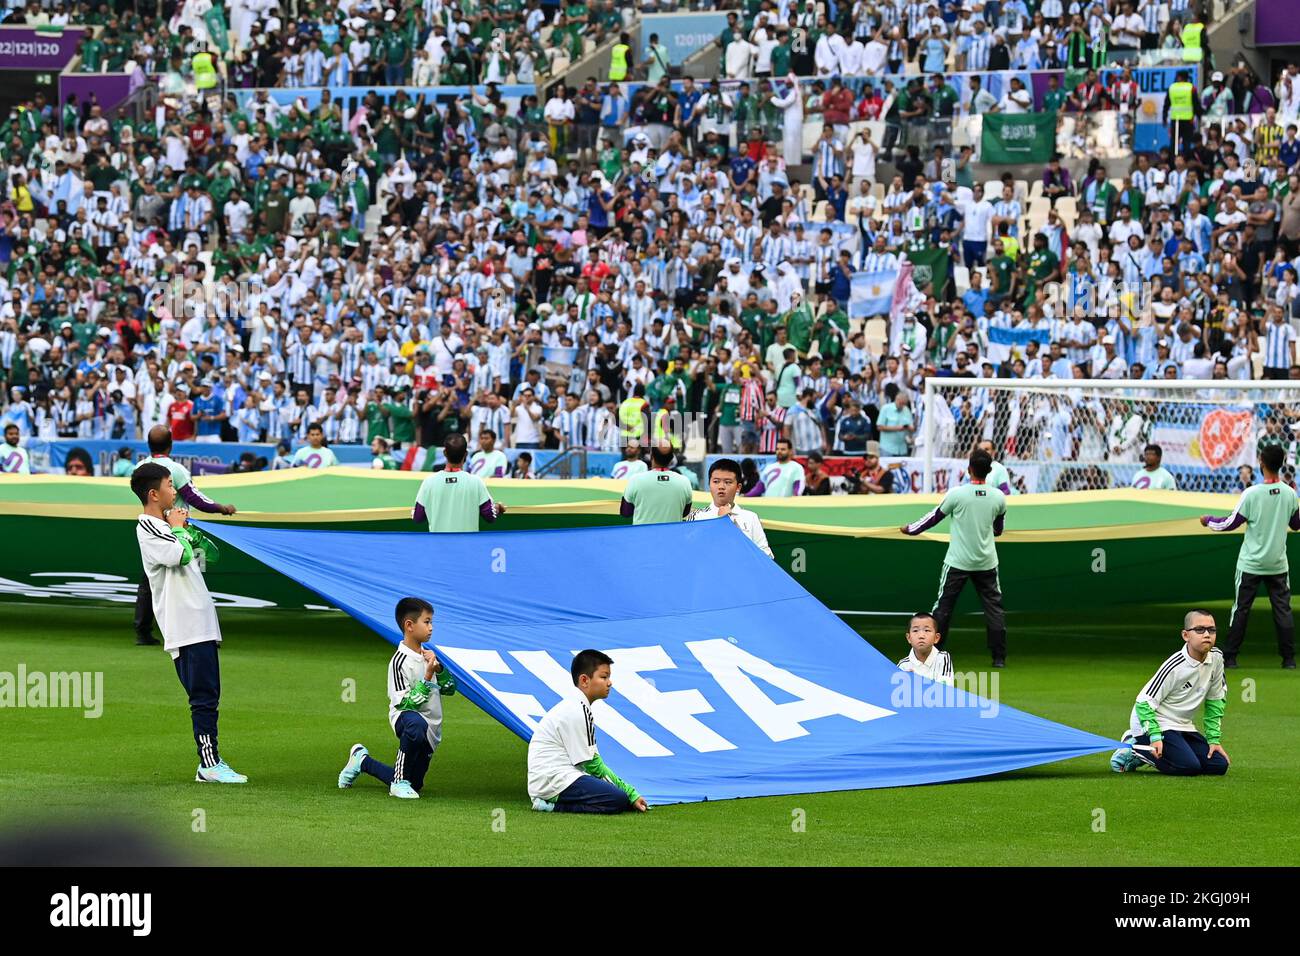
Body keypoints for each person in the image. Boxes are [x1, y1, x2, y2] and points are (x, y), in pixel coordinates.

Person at [131, 463, 246, 783]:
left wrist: (190, 532)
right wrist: (181, 529)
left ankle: (210, 763)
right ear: (154, 494)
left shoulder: (168, 526)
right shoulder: (148, 527)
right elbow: (178, 556)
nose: (176, 491)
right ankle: (208, 764)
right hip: (184, 623)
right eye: (170, 485)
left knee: (209, 692)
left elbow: (209, 555)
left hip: (198, 618)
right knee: (203, 696)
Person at [337, 596, 456, 799]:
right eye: (426, 622)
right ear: (409, 625)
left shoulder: (430, 656)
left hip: (432, 727)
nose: (431, 627)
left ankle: (361, 760)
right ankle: (398, 783)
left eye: (431, 622)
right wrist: (427, 676)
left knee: (416, 784)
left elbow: (450, 689)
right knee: (415, 725)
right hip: (406, 719)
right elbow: (407, 703)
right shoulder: (399, 661)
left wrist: (440, 669)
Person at [900, 449, 1008, 667]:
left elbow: (933, 518)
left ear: (969, 469)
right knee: (994, 608)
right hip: (986, 562)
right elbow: (998, 530)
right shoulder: (998, 497)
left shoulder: (957, 494)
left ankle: (934, 654)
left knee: (944, 607)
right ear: (989, 471)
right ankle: (998, 657)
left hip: (958, 561)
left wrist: (909, 529)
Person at [133, 425, 237, 647]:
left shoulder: (141, 467)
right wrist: (222, 508)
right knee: (192, 577)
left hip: (154, 530)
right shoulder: (175, 470)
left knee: (150, 581)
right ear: (171, 444)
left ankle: (142, 630)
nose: (171, 490)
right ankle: (200, 631)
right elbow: (196, 499)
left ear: (148, 445)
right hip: (179, 530)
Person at [1200, 444, 1298, 668]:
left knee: (1241, 609)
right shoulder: (1290, 493)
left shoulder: (1252, 493)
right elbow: (1296, 524)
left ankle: (1231, 657)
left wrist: (1208, 521)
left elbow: (1230, 523)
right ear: (1282, 463)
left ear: (1261, 462)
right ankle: (1289, 659)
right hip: (1277, 564)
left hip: (1251, 563)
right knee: (1283, 610)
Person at [1110, 609, 1229, 777]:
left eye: (1212, 630)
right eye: (1200, 630)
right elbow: (1143, 702)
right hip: (1154, 723)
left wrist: (1214, 740)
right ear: (1186, 635)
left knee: (1218, 765)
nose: (1207, 634)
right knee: (1189, 767)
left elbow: (1215, 700)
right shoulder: (1175, 666)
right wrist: (1155, 736)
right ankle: (1136, 747)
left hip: (1183, 726)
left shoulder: (1216, 658)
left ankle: (1162, 749)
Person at [527, 649, 648, 814]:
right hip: (553, 781)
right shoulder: (577, 709)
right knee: (618, 799)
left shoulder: (576, 705)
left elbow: (592, 761)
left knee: (618, 797)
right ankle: (552, 806)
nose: (610, 682)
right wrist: (630, 793)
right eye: (604, 677)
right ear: (584, 680)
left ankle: (551, 803)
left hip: (552, 778)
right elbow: (592, 765)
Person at [412, 433, 506, 532]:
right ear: (466, 454)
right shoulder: (476, 482)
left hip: (438, 546)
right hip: (467, 546)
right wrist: (497, 507)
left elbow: (418, 517)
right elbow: (490, 516)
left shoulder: (429, 482)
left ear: (444, 453)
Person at [687, 458, 773, 557]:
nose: (721, 487)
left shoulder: (751, 517)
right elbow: (691, 552)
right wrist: (720, 523)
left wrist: (732, 526)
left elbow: (767, 557)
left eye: (728, 482)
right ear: (709, 484)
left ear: (738, 487)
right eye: (716, 481)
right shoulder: (696, 517)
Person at [620, 442, 693, 525]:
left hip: (642, 536)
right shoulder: (684, 482)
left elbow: (626, 512)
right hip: (673, 536)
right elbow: (685, 512)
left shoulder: (635, 480)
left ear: (651, 456)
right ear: (672, 458)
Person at [896, 612, 954, 686]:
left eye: (927, 630)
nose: (921, 636)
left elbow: (944, 689)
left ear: (936, 638)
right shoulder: (903, 665)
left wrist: (915, 682)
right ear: (908, 638)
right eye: (915, 631)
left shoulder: (943, 658)